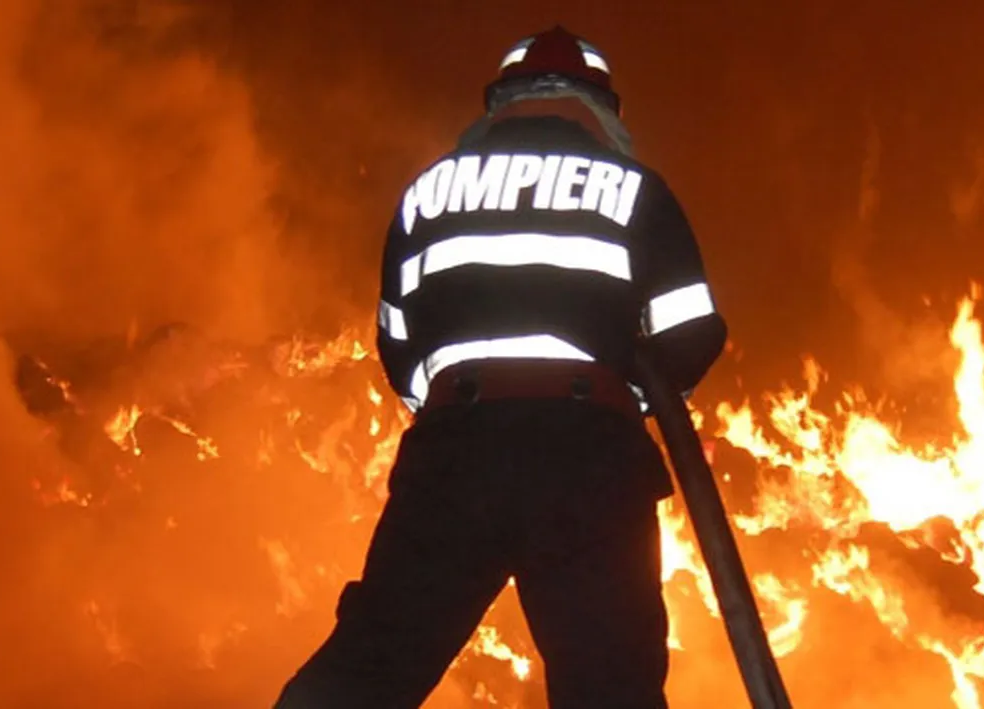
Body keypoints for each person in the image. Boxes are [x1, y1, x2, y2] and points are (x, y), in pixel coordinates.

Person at [274, 25, 727, 709]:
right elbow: (691, 332)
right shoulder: (635, 189)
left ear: (500, 104)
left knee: (370, 663)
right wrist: (620, 400)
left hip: (454, 451)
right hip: (585, 459)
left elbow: (399, 346)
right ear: (599, 108)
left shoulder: (426, 193)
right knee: (610, 686)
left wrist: (467, 412)